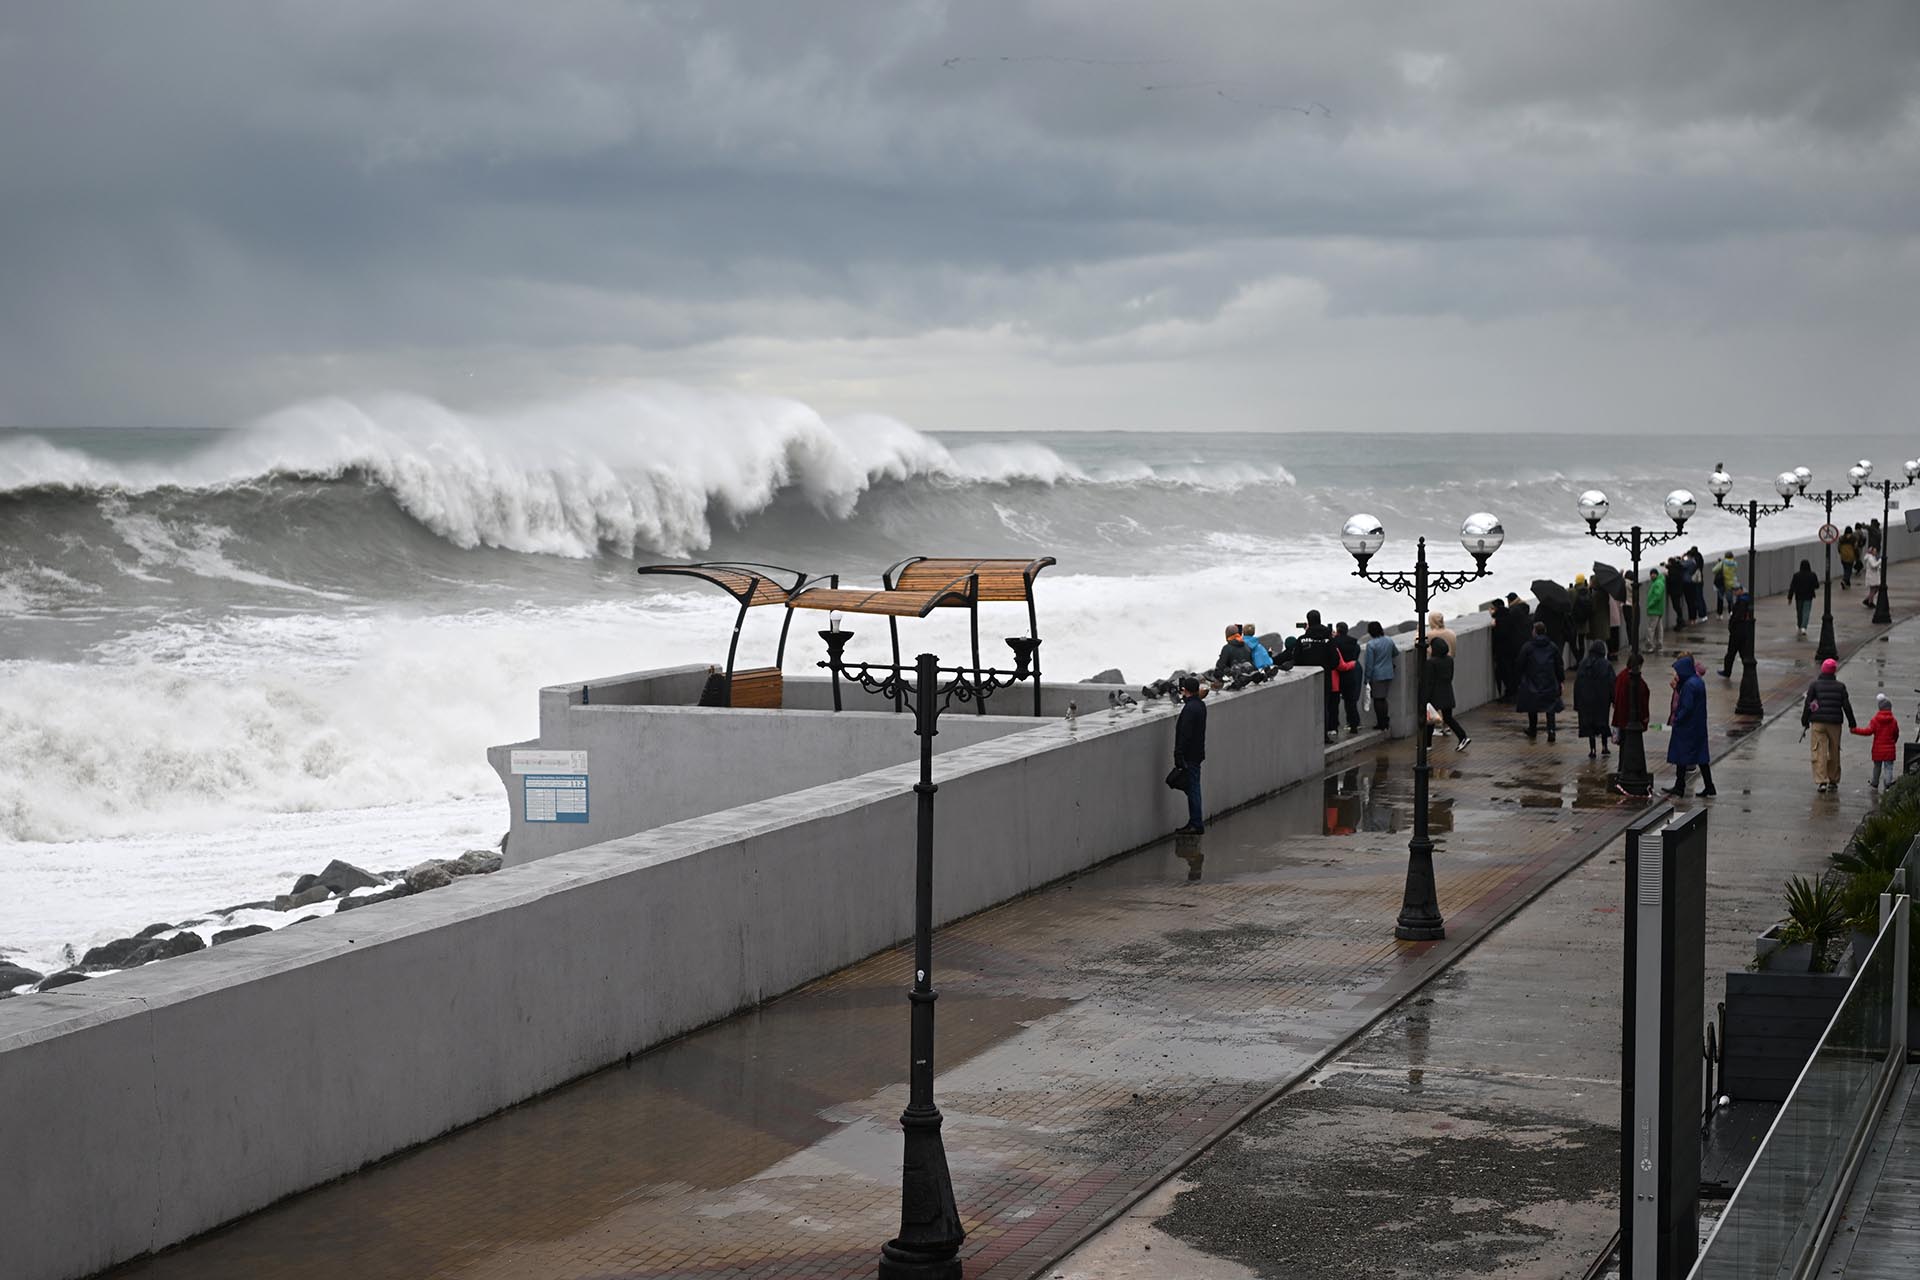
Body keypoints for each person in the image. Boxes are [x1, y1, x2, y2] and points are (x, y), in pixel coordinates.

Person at [1802, 657, 1857, 793]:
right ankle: (1833, 780)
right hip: (1835, 723)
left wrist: (1805, 720)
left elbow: (1808, 704)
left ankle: (1821, 781)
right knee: (1834, 751)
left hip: (1818, 722)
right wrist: (1852, 723)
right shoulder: (1840, 686)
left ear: (1823, 670)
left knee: (1819, 751)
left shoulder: (1814, 685)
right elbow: (1846, 706)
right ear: (1834, 672)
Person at [1664, 656, 1716, 796]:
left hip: (1687, 727)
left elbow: (1686, 707)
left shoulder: (1689, 686)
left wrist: (1678, 719)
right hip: (1698, 725)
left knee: (1681, 755)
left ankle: (1680, 786)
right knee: (1701, 757)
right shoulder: (1697, 681)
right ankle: (1709, 785)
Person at [1515, 621, 1564, 742]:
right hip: (1549, 680)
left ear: (1534, 632)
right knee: (1550, 706)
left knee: (1532, 705)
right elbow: (1559, 665)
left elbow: (1520, 664)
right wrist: (1561, 680)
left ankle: (1533, 729)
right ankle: (1551, 731)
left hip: (1532, 680)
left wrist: (1519, 679)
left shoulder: (1528, 647)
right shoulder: (1552, 646)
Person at [1172, 675, 1207, 834]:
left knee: (1192, 789)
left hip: (1189, 755)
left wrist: (1178, 753)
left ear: (1185, 690)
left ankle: (1196, 824)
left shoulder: (1190, 709)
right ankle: (1195, 821)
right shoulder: (1200, 705)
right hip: (1197, 752)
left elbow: (1185, 733)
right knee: (1193, 787)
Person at [1422, 636, 1470, 751]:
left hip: (1435, 694)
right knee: (1448, 718)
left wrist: (1425, 698)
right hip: (1447, 691)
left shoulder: (1431, 663)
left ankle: (1427, 744)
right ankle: (1462, 736)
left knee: (1430, 719)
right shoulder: (1449, 660)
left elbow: (1429, 682)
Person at [1573, 639, 1615, 759]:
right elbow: (1612, 683)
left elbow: (1577, 685)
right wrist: (1614, 700)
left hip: (1586, 701)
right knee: (1603, 722)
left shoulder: (1583, 664)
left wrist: (1577, 703)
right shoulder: (1606, 665)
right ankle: (1604, 747)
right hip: (1602, 700)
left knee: (1589, 725)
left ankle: (1592, 749)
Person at [1852, 692, 1900, 789]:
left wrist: (1855, 730)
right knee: (1888, 767)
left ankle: (1875, 782)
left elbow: (1868, 731)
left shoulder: (1875, 720)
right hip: (1889, 749)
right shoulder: (1893, 721)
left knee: (1877, 767)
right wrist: (1893, 742)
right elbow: (1896, 734)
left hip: (1878, 749)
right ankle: (1888, 783)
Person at [1362, 620, 1397, 732]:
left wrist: (1367, 678)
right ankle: (1385, 721)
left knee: (1378, 699)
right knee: (1383, 698)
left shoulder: (1371, 645)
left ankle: (1381, 723)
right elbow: (1395, 653)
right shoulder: (1389, 640)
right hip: (1389, 673)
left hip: (1377, 675)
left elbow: (1369, 664)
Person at [1332, 621, 1363, 735]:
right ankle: (1354, 725)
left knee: (1334, 702)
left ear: (1338, 630)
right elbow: (1356, 655)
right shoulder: (1354, 643)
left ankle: (1334, 726)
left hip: (1339, 674)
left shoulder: (1335, 642)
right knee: (1351, 701)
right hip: (1352, 672)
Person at [1719, 588, 1754, 679]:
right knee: (1743, 653)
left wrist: (1731, 626)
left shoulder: (1741, 601)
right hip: (1743, 631)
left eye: (1735, 590)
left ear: (1741, 590)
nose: (1734, 592)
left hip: (1737, 631)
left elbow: (1737, 616)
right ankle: (1748, 671)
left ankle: (1727, 671)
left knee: (1731, 653)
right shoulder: (1747, 600)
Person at [1487, 598, 1511, 698]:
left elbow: (1499, 635)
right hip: (1509, 649)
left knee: (1502, 673)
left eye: (1492, 608)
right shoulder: (1508, 615)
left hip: (1500, 650)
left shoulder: (1498, 619)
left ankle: (1504, 694)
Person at [1790, 559, 1820, 638]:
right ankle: (1804, 627)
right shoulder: (1812, 575)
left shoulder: (1796, 575)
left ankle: (1799, 625)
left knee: (1799, 612)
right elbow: (1817, 585)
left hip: (1798, 596)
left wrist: (1789, 597)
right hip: (1808, 596)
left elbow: (1792, 587)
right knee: (1806, 612)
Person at [1643, 566, 1668, 652]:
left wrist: (1650, 604)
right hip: (1658, 609)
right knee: (1658, 628)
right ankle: (1659, 645)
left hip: (1654, 609)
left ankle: (1650, 646)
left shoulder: (1657, 583)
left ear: (1656, 575)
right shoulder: (1659, 582)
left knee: (1651, 628)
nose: (1651, 576)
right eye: (1651, 574)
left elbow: (1657, 596)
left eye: (1653, 574)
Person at [1862, 546, 1883, 610]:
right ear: (1871, 551)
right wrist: (1880, 561)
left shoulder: (1873, 557)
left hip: (1874, 576)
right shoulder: (1870, 558)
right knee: (1873, 589)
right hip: (1872, 576)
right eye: (1874, 551)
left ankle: (1867, 599)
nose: (1876, 552)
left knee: (1876, 588)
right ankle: (1870, 602)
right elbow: (1873, 565)